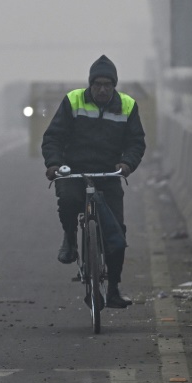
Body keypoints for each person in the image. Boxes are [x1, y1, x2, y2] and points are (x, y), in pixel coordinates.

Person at [41, 55, 146, 308]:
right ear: (90, 84)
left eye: (107, 85)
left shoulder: (128, 106)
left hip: (108, 174)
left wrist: (127, 164)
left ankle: (113, 289)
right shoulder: (73, 100)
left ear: (114, 86)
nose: (101, 89)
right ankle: (69, 236)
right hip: (73, 171)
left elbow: (136, 142)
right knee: (67, 201)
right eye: (97, 84)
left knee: (116, 235)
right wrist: (54, 165)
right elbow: (53, 136)